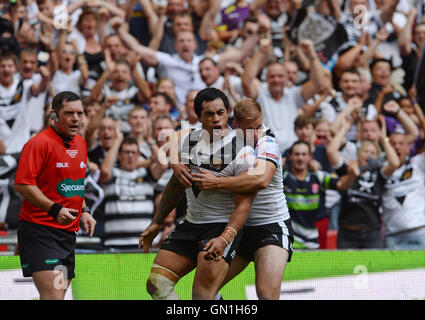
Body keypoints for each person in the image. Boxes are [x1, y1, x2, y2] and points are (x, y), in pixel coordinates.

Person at [139, 88, 257, 300]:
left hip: (222, 226)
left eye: (221, 112)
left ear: (228, 112)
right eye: (209, 114)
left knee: (202, 296)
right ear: (198, 117)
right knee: (157, 284)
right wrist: (157, 222)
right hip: (192, 224)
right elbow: (176, 184)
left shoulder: (242, 150)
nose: (216, 119)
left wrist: (225, 238)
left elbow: (244, 204)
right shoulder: (189, 141)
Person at [191, 98, 294, 299]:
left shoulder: (268, 141)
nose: (255, 134)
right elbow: (183, 136)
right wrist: (175, 162)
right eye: (249, 129)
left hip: (271, 225)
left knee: (266, 293)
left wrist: (217, 183)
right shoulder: (226, 136)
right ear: (235, 125)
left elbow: (261, 180)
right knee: (204, 293)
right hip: (238, 228)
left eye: (258, 126)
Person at [14, 91, 96, 300]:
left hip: (68, 235)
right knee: (53, 296)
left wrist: (84, 210)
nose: (76, 118)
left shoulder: (80, 143)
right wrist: (54, 209)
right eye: (69, 113)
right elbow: (23, 184)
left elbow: (75, 185)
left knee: (58, 295)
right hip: (40, 231)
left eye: (80, 113)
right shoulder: (39, 143)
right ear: (55, 115)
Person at [241, 37, 326, 152]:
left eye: (280, 76)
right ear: (266, 78)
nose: (276, 80)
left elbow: (318, 84)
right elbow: (246, 82)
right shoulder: (260, 94)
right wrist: (261, 51)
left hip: (292, 153)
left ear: (287, 79)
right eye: (272, 76)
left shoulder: (294, 95)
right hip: (265, 152)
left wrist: (311, 53)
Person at [327, 116, 400, 249]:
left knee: (375, 270)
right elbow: (331, 151)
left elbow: (394, 163)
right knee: (346, 270)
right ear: (359, 154)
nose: (369, 155)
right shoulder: (348, 170)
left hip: (372, 231)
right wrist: (344, 128)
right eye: (365, 151)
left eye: (373, 152)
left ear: (377, 156)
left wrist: (384, 139)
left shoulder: (379, 173)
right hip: (347, 231)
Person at [382, 132, 425, 249]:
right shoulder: (381, 170)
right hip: (393, 236)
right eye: (393, 144)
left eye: (401, 143)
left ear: (408, 148)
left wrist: (399, 112)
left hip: (420, 232)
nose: (397, 147)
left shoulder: (418, 163)